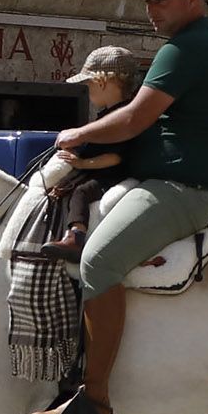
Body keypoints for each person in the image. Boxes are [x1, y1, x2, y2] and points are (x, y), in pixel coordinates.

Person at [29, 0, 208, 414]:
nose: (151, 10)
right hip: (183, 181)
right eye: (147, 0)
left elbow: (132, 121)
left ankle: (96, 398)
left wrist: (77, 134)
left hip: (181, 189)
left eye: (160, 0)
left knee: (97, 263)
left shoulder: (184, 50)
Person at [43, 46, 149, 262]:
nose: (88, 91)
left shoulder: (119, 117)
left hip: (110, 176)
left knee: (80, 192)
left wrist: (82, 164)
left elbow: (115, 157)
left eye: (89, 84)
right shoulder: (113, 114)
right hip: (105, 173)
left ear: (101, 82)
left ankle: (76, 237)